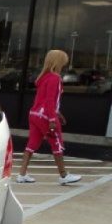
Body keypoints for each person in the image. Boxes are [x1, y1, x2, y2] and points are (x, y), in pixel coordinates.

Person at [17, 49, 81, 185]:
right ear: (58, 62)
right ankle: (63, 175)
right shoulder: (55, 78)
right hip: (45, 116)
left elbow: (44, 99)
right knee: (56, 143)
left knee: (32, 143)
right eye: (63, 62)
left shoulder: (43, 78)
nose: (64, 65)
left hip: (34, 114)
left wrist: (58, 114)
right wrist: (53, 119)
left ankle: (21, 174)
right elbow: (50, 100)